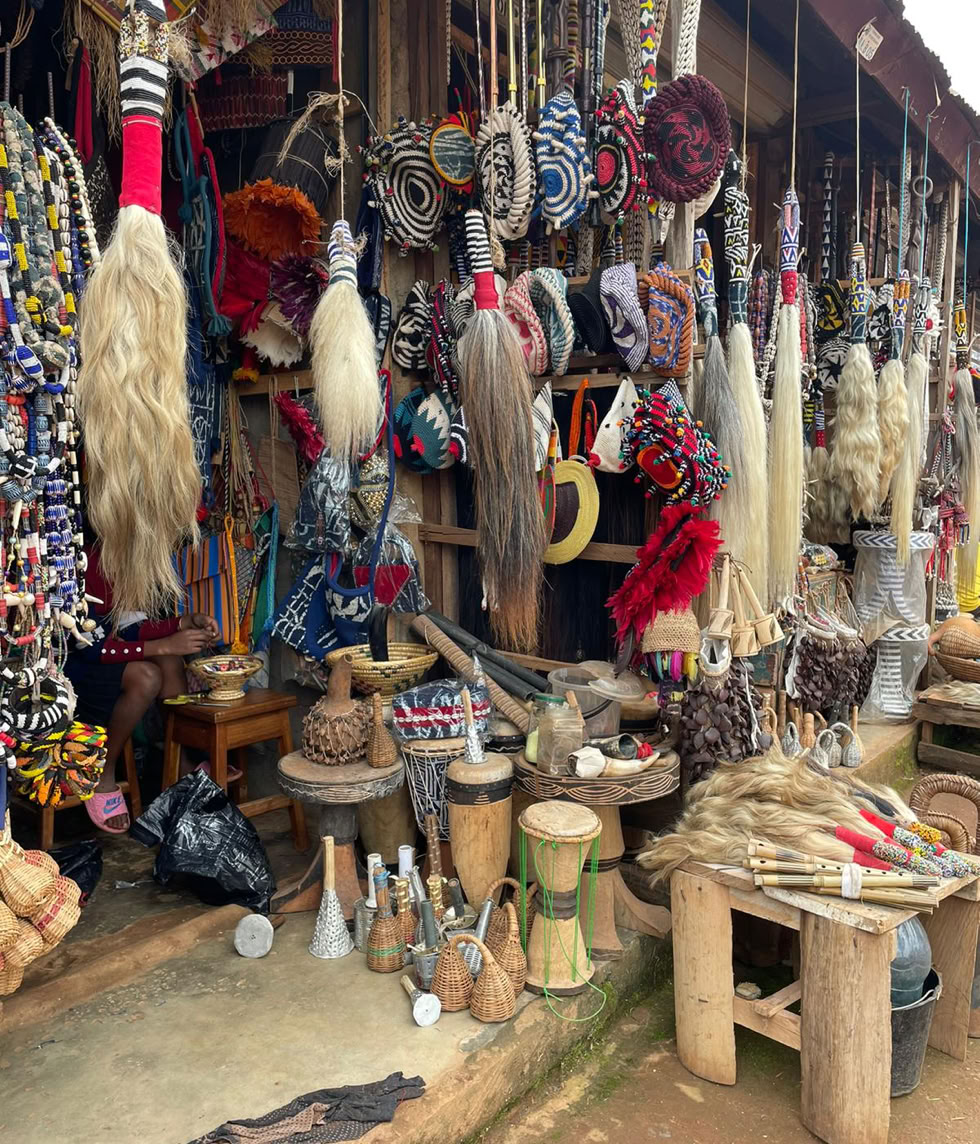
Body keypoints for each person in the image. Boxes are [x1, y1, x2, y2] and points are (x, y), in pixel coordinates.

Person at [64, 610, 220, 833]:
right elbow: (91, 648)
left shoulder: (118, 587)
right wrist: (163, 645)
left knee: (169, 661)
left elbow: (127, 627)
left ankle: (181, 760)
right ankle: (103, 769)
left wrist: (183, 623)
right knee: (147, 677)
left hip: (102, 648)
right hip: (68, 664)